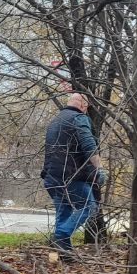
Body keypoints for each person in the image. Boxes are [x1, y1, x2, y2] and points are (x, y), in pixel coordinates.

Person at [41, 92, 104, 253]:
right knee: (88, 206)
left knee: (64, 212)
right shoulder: (79, 118)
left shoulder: (55, 121)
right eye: (86, 106)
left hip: (51, 178)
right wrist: (99, 169)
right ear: (83, 105)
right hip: (70, 178)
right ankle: (60, 236)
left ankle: (65, 255)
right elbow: (89, 145)